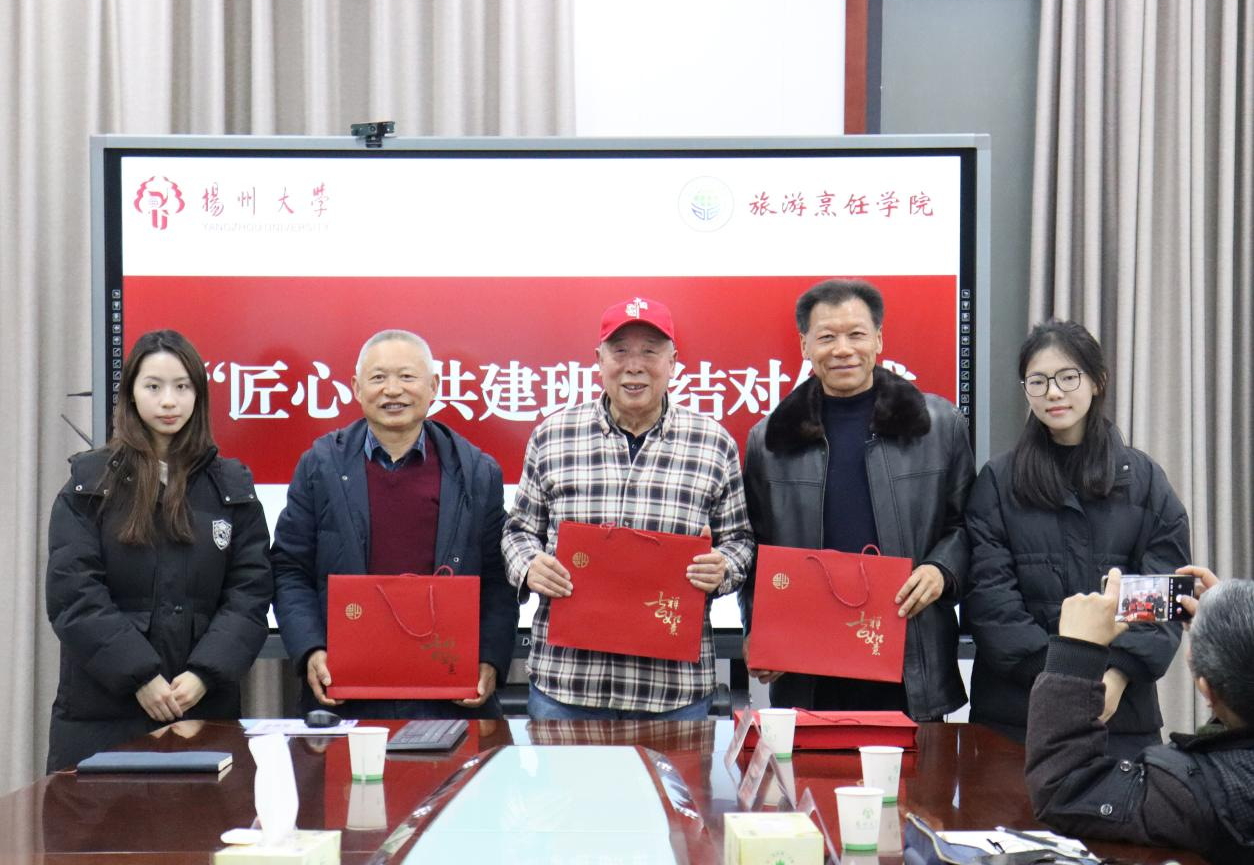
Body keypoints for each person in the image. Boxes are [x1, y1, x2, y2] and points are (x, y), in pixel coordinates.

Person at [502, 298, 755, 719]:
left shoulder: (713, 443)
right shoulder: (553, 435)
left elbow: (740, 540)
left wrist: (724, 567)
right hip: (567, 685)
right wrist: (529, 565)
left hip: (672, 691)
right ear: (598, 361)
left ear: (673, 362)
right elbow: (519, 530)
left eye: (649, 352)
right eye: (620, 351)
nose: (634, 366)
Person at [739, 278, 975, 719]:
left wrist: (942, 570)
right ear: (805, 345)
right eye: (827, 337)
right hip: (808, 664)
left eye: (856, 334)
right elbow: (754, 551)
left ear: (879, 340)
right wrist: (760, 629)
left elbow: (968, 525)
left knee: (915, 767)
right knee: (811, 766)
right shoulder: (769, 441)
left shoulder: (939, 424)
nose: (843, 349)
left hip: (908, 655)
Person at [45, 330, 271, 771]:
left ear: (198, 395)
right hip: (102, 715)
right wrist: (140, 675)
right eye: (154, 386)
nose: (169, 401)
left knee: (200, 817)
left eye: (182, 387)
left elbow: (251, 593)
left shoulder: (233, 488)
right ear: (131, 393)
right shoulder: (88, 486)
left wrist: (205, 674)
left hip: (202, 708)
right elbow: (74, 596)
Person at [964, 320, 1189, 757]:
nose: (1053, 392)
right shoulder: (998, 480)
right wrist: (1064, 680)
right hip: (1016, 715)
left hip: (1121, 715)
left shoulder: (1144, 481)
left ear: (1097, 381)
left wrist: (1116, 674)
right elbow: (991, 602)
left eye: (1068, 377)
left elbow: (1165, 593)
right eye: (1038, 381)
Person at [271, 329, 517, 718]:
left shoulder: (476, 471)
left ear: (434, 386)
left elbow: (498, 576)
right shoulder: (320, 466)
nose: (392, 390)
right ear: (356, 388)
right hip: (346, 692)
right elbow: (289, 568)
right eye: (378, 377)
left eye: (406, 376)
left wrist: (490, 656)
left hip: (448, 697)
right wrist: (311, 648)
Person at [1026, 567, 1254, 865]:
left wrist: (1075, 652)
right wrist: (1238, 634)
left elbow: (1065, 790)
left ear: (1206, 690)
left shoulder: (1195, 793)